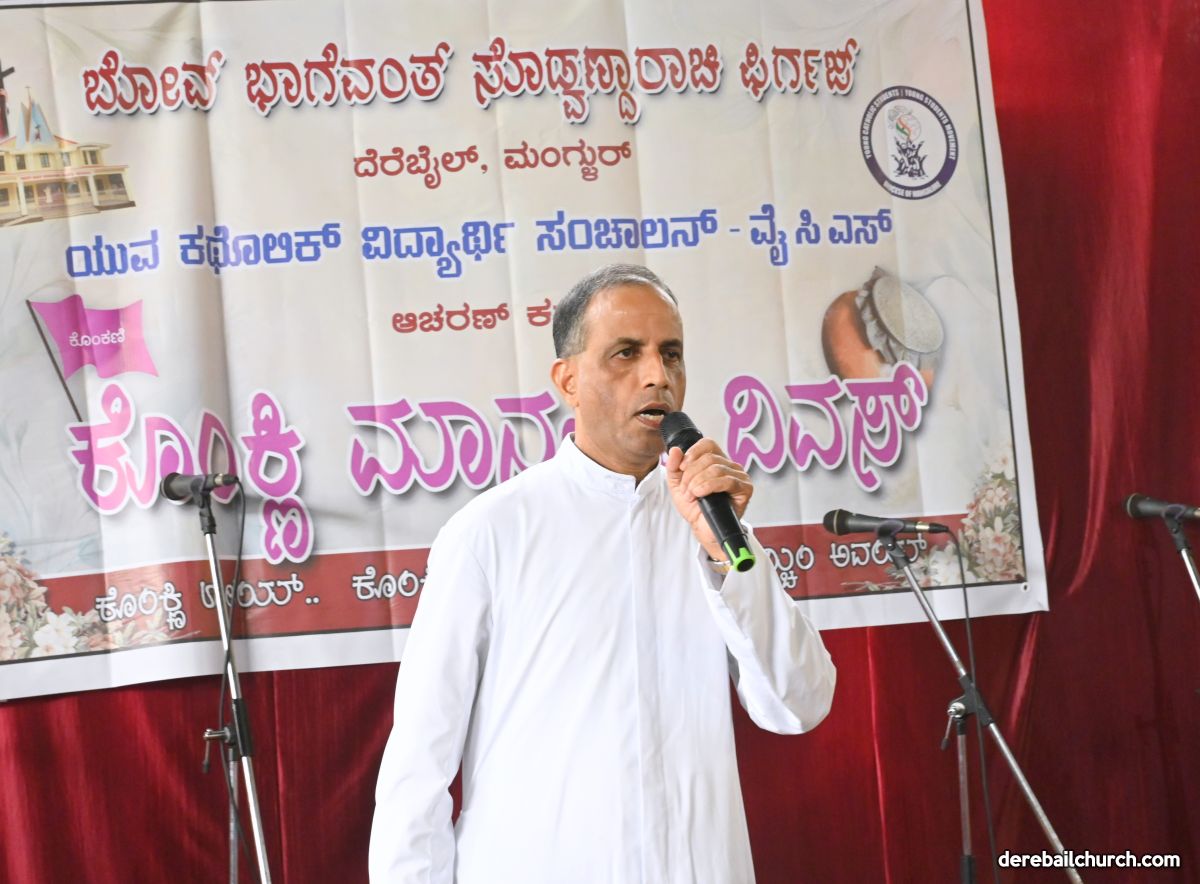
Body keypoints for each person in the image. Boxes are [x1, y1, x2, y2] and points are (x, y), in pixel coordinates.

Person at [368, 264, 836, 883]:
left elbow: (799, 705)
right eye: (626, 353)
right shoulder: (490, 533)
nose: (658, 375)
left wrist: (729, 556)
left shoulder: (714, 528)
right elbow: (418, 767)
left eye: (672, 354)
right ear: (568, 380)